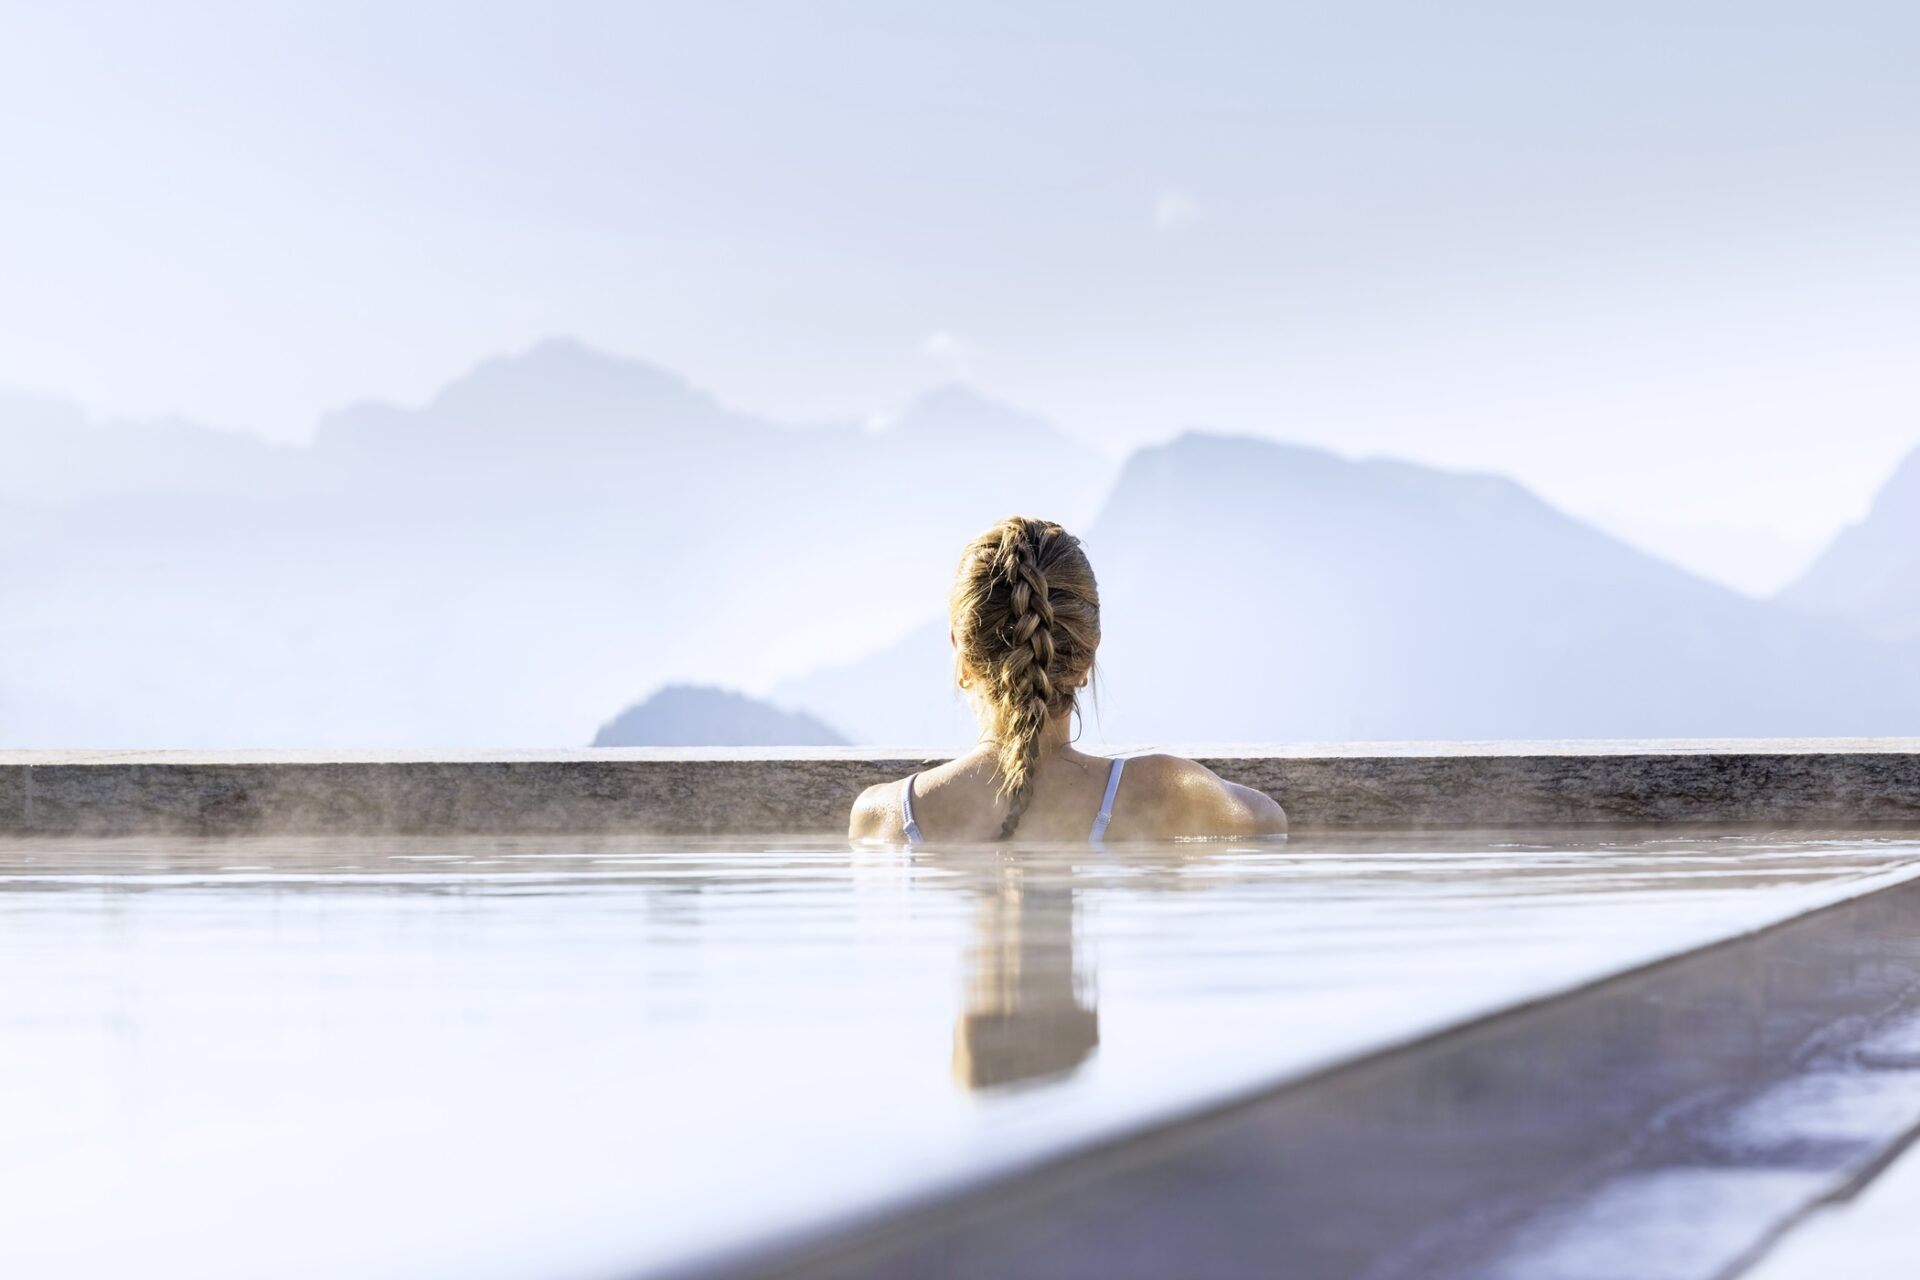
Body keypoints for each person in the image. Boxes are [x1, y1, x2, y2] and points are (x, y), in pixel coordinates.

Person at [849, 516, 1287, 844]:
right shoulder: (1164, 792)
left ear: (963, 658)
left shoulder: (884, 815)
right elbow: (1271, 820)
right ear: (1087, 656)